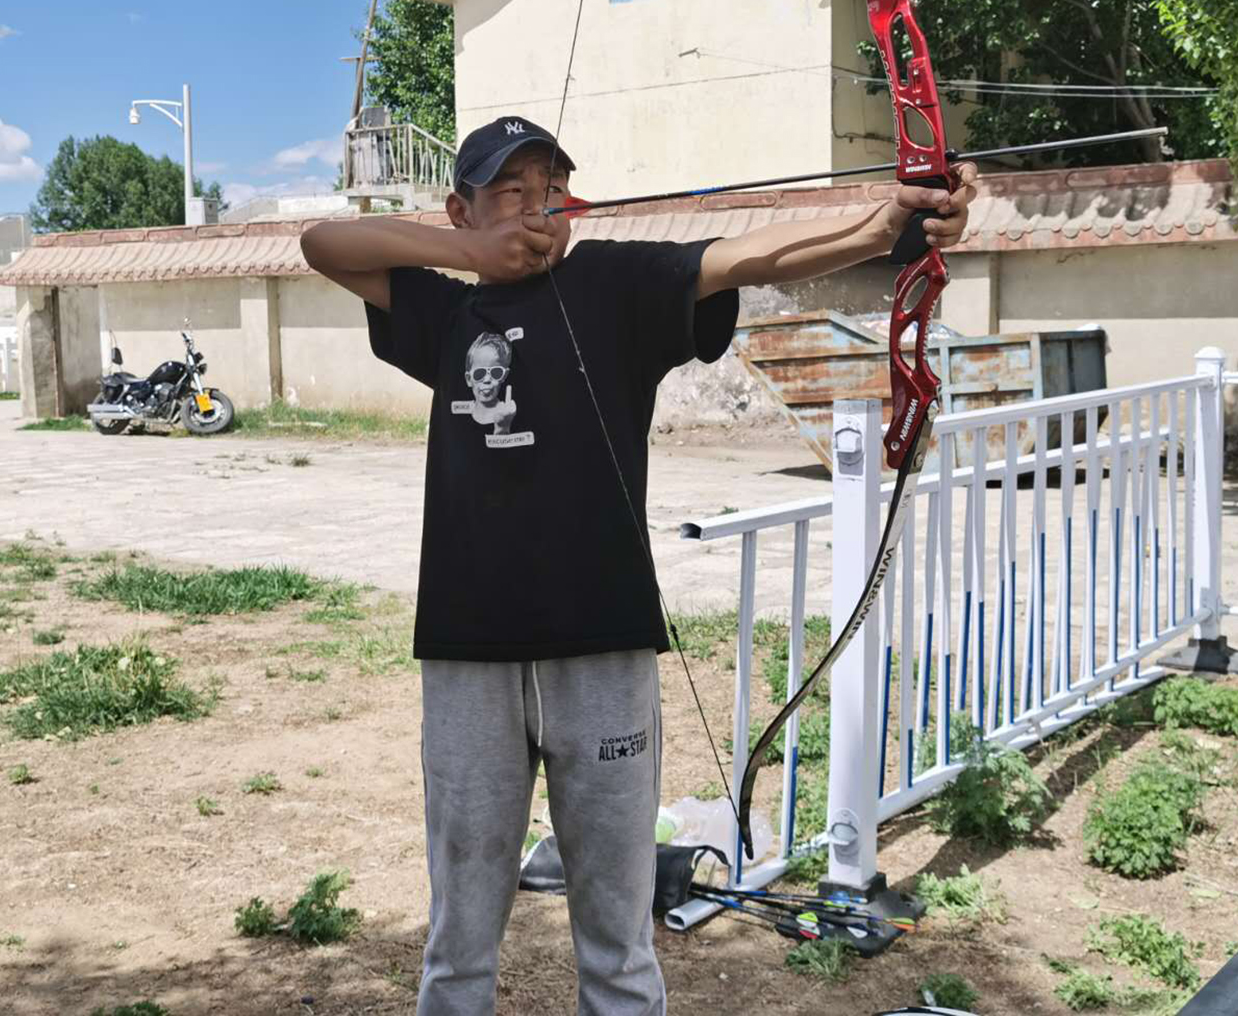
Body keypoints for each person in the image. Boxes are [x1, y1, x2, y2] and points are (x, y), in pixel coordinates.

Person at [299, 115, 978, 1016]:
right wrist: (475, 253)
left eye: (550, 190)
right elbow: (322, 241)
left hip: (604, 650)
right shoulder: (442, 307)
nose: (538, 208)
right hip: (468, 656)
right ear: (461, 209)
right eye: (511, 192)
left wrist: (889, 220)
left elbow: (747, 257)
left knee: (618, 939)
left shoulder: (613, 280)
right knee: (460, 936)